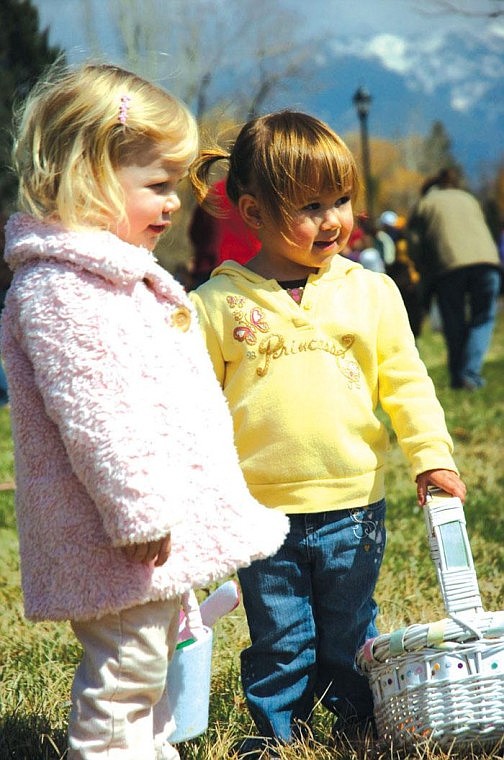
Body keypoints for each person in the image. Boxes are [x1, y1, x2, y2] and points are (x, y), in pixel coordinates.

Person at [1, 62, 289, 760]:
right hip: (116, 532)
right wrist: (136, 510)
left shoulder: (110, 277)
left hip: (142, 535)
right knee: (126, 675)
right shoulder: (63, 289)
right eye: (156, 185)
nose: (173, 205)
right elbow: (94, 412)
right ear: (89, 176)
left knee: (151, 667)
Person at [188, 111, 467, 757]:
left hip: (353, 503)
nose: (335, 219)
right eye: (311, 206)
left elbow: (407, 382)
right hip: (260, 512)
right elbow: (194, 410)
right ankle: (275, 736)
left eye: (341, 200)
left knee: (348, 632)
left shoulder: (371, 292)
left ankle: (350, 727)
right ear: (253, 211)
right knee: (280, 638)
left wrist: (431, 457)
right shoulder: (215, 305)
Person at [408, 167, 502, 390]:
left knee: (454, 323)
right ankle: (469, 374)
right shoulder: (468, 198)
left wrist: (423, 272)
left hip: (449, 267)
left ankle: (460, 377)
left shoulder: (425, 203)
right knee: (483, 318)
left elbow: (415, 244)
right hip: (487, 262)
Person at [188, 178, 261, 287]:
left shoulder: (215, 191)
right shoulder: (263, 193)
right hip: (254, 273)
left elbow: (196, 232)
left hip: (212, 272)